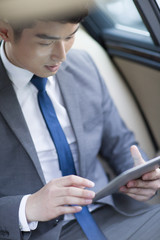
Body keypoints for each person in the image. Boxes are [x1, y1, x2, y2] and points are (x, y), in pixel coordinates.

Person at [0, 7, 160, 240]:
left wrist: (144, 177)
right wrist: (28, 207)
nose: (61, 56)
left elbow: (121, 145)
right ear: (5, 32)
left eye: (70, 36)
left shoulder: (83, 65)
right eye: (46, 43)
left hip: (114, 214)